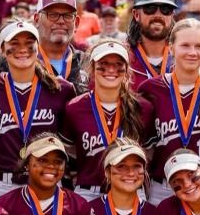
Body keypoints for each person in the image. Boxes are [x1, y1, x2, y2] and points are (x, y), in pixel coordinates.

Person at [0, 21, 75, 199]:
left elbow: (69, 143)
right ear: (3, 49)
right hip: (0, 184)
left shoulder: (61, 89)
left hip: (46, 180)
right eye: (14, 44)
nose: (22, 49)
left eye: (29, 43)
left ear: (38, 47)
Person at [138, 18, 200, 203]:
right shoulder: (150, 89)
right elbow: (146, 148)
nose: (192, 52)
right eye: (185, 45)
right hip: (165, 188)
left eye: (199, 46)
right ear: (171, 48)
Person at [62, 41, 150, 199]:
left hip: (132, 188)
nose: (111, 70)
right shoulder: (74, 108)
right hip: (89, 192)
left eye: (118, 64)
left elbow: (150, 154)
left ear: (127, 69)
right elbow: (69, 158)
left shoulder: (143, 108)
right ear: (92, 67)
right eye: (104, 64)